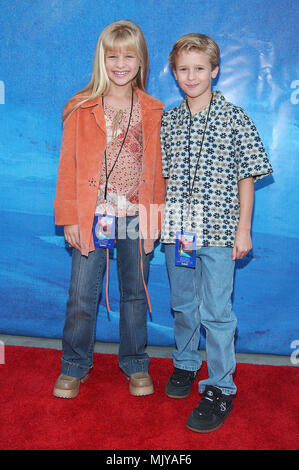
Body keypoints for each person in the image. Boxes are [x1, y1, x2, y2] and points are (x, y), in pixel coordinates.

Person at [160, 33, 273, 432]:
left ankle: (221, 386)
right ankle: (186, 363)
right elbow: (166, 177)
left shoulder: (235, 116)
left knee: (218, 313)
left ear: (215, 71)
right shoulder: (169, 120)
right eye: (184, 69)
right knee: (183, 304)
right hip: (179, 233)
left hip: (222, 232)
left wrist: (244, 230)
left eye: (199, 68)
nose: (192, 76)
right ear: (174, 73)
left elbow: (247, 177)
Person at [53, 20, 165, 399]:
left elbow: (159, 172)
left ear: (141, 60)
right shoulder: (80, 106)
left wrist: (156, 219)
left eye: (128, 55)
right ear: (101, 58)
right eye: (112, 55)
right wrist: (68, 216)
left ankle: (135, 363)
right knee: (82, 293)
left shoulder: (154, 110)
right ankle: (74, 365)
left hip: (136, 215)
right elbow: (66, 166)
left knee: (134, 293)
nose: (120, 63)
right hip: (92, 215)